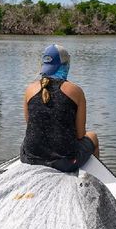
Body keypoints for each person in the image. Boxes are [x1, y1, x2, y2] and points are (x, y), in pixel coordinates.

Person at [20, 44, 99, 172]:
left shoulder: (29, 89)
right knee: (93, 136)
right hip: (65, 163)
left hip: (30, 159)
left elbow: (31, 125)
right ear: (66, 65)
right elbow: (80, 134)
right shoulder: (76, 91)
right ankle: (93, 178)